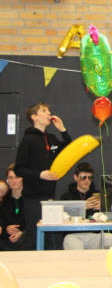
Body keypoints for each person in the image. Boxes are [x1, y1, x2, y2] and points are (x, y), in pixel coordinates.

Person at [15, 102, 71, 250]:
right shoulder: (28, 140)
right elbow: (19, 169)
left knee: (53, 238)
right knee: (34, 237)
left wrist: (63, 130)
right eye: (44, 111)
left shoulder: (51, 138)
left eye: (49, 111)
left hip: (50, 198)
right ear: (34, 117)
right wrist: (40, 174)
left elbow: (68, 149)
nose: (49, 113)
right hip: (33, 198)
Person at [60, 162, 112, 250]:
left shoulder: (99, 195)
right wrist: (83, 207)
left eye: (90, 178)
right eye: (83, 177)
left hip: (95, 235)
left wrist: (103, 207)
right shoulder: (66, 197)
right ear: (75, 177)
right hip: (73, 235)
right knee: (72, 243)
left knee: (110, 238)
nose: (87, 180)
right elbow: (63, 217)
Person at [0, 164, 27, 250]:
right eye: (11, 178)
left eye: (17, 177)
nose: (14, 181)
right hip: (5, 241)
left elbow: (35, 223)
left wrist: (22, 233)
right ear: (7, 180)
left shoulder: (30, 200)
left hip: (26, 239)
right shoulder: (3, 200)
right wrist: (6, 229)